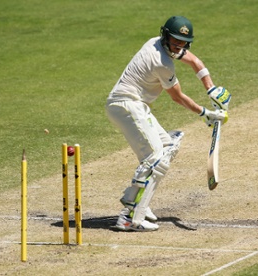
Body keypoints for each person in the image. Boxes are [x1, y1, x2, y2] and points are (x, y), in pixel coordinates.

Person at [105, 15, 231, 231]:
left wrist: (210, 87)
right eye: (174, 41)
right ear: (165, 36)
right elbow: (178, 97)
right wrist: (206, 114)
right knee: (153, 157)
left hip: (135, 106)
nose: (178, 47)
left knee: (168, 146)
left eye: (182, 43)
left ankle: (141, 207)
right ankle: (128, 217)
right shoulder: (161, 61)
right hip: (125, 104)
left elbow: (194, 61)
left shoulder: (160, 42)